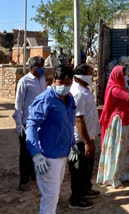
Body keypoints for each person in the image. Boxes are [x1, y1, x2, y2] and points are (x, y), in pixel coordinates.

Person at [26, 65, 77, 213]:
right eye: (60, 82)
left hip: (62, 154)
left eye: (67, 83)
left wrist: (72, 143)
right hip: (48, 157)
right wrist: (35, 153)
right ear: (53, 81)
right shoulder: (44, 100)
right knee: (50, 197)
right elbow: (31, 126)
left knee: (54, 194)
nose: (64, 86)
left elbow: (69, 122)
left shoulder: (69, 98)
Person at [68, 64, 101, 209]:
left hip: (87, 137)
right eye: (90, 73)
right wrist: (87, 142)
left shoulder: (84, 89)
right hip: (78, 140)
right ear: (82, 76)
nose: (92, 75)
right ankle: (76, 199)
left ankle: (85, 189)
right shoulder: (78, 93)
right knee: (78, 170)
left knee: (86, 167)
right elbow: (78, 119)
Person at [12, 56, 47, 191]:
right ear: (33, 68)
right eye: (40, 67)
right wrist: (19, 124)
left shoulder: (42, 79)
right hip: (28, 123)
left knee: (38, 150)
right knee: (25, 154)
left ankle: (34, 176)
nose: (43, 70)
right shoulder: (24, 81)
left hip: (41, 122)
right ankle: (23, 181)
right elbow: (18, 103)